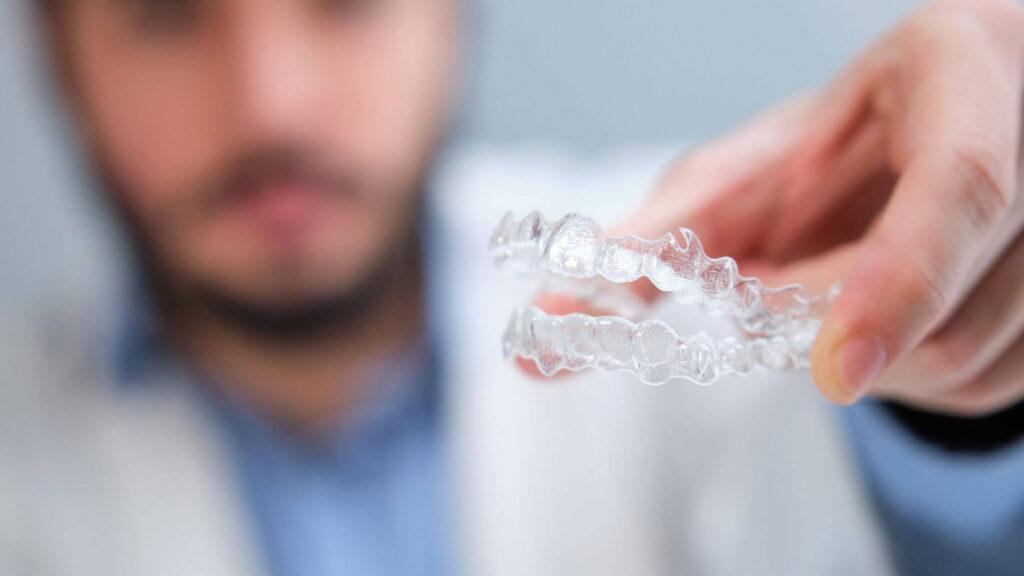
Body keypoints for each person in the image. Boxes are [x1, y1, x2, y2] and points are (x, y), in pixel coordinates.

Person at [2, 0, 1023, 574]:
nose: (273, 104)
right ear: (57, 53)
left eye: (346, 5)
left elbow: (943, 532)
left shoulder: (711, 264)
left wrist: (954, 365)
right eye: (166, 16)